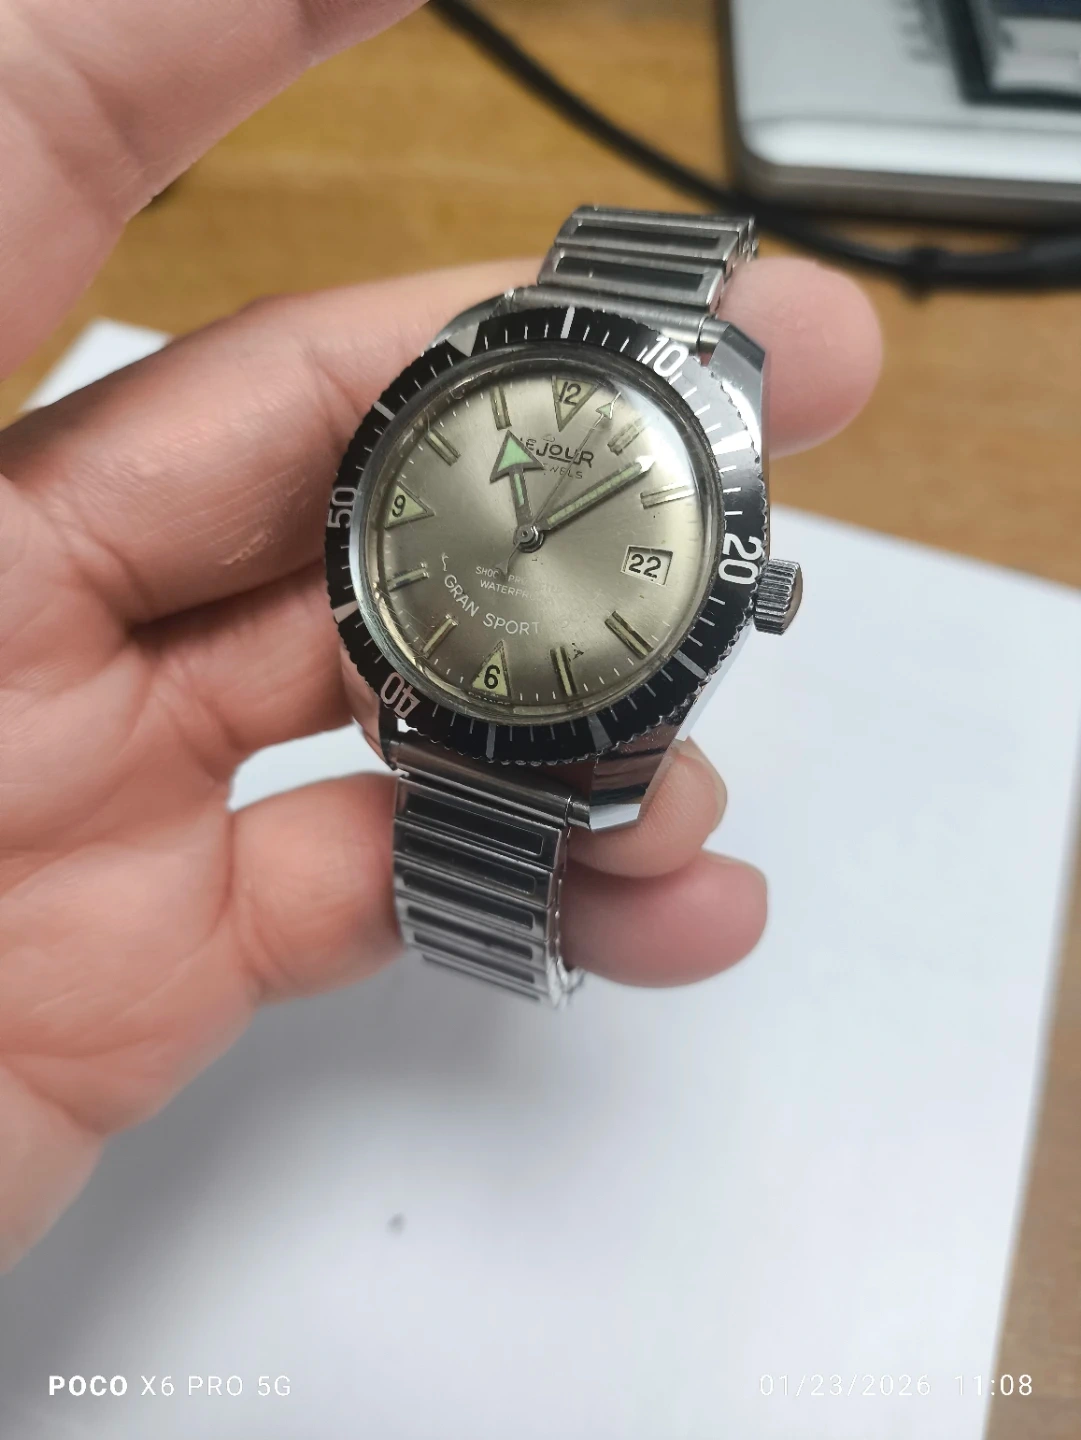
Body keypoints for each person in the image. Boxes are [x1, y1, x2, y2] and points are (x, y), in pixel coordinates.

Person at [0, 0, 882, 1271]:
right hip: (430, 668)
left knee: (636, 837)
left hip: (494, 691)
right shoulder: (455, 404)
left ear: (748, 582)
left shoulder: (698, 461)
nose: (529, 534)